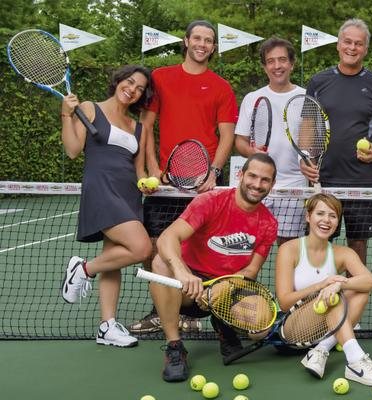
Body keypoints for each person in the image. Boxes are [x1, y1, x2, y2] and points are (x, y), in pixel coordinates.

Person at [129, 20, 238, 334]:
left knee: (195, 251)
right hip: (165, 186)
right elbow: (146, 127)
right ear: (186, 41)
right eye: (198, 38)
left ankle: (188, 313)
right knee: (152, 249)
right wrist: (152, 169)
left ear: (213, 47)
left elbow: (226, 136)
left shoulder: (221, 87)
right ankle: (160, 311)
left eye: (209, 40)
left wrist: (214, 173)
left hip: (202, 187)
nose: (203, 44)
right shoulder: (161, 78)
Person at [149, 153, 278, 382]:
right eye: (253, 176)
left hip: (229, 287)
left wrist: (223, 288)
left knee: (261, 327)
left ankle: (223, 324)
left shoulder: (268, 223)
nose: (257, 185)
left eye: (265, 180)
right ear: (240, 175)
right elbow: (167, 238)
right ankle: (174, 346)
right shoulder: (210, 201)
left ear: (272, 184)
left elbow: (251, 271)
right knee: (160, 263)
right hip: (191, 288)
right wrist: (181, 272)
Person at [60, 65, 154, 348]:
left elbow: (139, 170)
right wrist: (66, 113)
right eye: (129, 82)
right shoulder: (89, 108)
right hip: (101, 188)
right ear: (117, 81)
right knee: (141, 248)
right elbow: (73, 150)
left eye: (139, 88)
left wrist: (146, 183)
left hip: (128, 194)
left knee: (114, 257)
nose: (133, 89)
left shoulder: (138, 127)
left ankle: (107, 326)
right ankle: (83, 269)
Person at [299, 18, 372, 266]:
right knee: (321, 240)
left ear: (365, 48)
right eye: (347, 42)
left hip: (362, 180)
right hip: (324, 177)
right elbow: (308, 125)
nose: (352, 48)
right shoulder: (318, 82)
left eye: (358, 44)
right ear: (338, 44)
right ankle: (320, 293)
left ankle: (354, 296)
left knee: (358, 242)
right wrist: (305, 158)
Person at [275, 193, 372, 387]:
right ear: (308, 216)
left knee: (359, 292)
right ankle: (356, 361)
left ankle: (321, 350)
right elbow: (285, 302)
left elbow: (370, 281)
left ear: (337, 222)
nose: (326, 220)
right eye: (320, 213)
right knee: (332, 297)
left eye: (332, 216)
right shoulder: (289, 249)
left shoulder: (343, 253)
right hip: (294, 330)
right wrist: (322, 285)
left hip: (324, 330)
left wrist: (339, 284)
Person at [234, 37, 306, 246]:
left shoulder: (306, 97)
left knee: (289, 251)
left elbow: (311, 144)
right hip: (256, 185)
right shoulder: (251, 98)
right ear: (264, 67)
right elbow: (240, 142)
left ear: (292, 64)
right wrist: (252, 152)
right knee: (245, 248)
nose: (277, 66)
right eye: (271, 61)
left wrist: (308, 161)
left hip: (294, 187)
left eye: (282, 60)